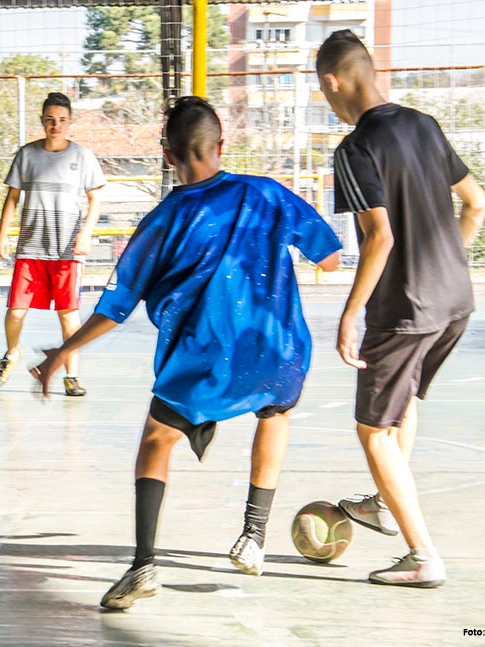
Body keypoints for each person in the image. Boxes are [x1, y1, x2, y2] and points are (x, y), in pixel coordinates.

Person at [30, 96, 342, 609]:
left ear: (168, 155)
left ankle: (143, 565)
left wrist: (65, 350)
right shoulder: (267, 194)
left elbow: (116, 307)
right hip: (276, 348)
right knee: (276, 412)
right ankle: (253, 535)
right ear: (222, 146)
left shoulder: (162, 220)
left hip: (205, 356)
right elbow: (329, 258)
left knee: (156, 440)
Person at [316, 30, 485, 587]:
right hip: (454, 299)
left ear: (332, 81)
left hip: (405, 308)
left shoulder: (354, 148)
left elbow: (379, 238)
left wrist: (349, 314)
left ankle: (423, 556)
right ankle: (384, 505)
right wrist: (444, 260)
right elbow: (476, 203)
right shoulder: (424, 124)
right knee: (403, 399)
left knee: (373, 431)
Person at [0, 92, 105, 397]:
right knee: (16, 311)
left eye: (62, 120)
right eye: (50, 120)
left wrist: (86, 233)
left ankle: (72, 375)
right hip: (31, 248)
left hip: (67, 250)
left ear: (70, 122)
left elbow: (95, 198)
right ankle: (12, 353)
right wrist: (3, 235)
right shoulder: (27, 155)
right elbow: (12, 197)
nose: (56, 125)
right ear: (42, 122)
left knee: (68, 315)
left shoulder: (82, 157)